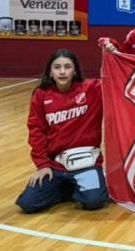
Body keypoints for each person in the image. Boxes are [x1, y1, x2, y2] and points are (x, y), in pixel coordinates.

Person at [15, 50, 108, 213]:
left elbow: (115, 79)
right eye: (57, 67)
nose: (62, 71)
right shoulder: (41, 94)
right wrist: (42, 165)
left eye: (67, 67)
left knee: (94, 201)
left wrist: (112, 50)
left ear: (75, 71)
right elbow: (36, 131)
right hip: (56, 166)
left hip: (86, 163)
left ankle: (91, 182)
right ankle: (70, 188)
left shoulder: (92, 89)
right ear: (50, 72)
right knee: (28, 203)